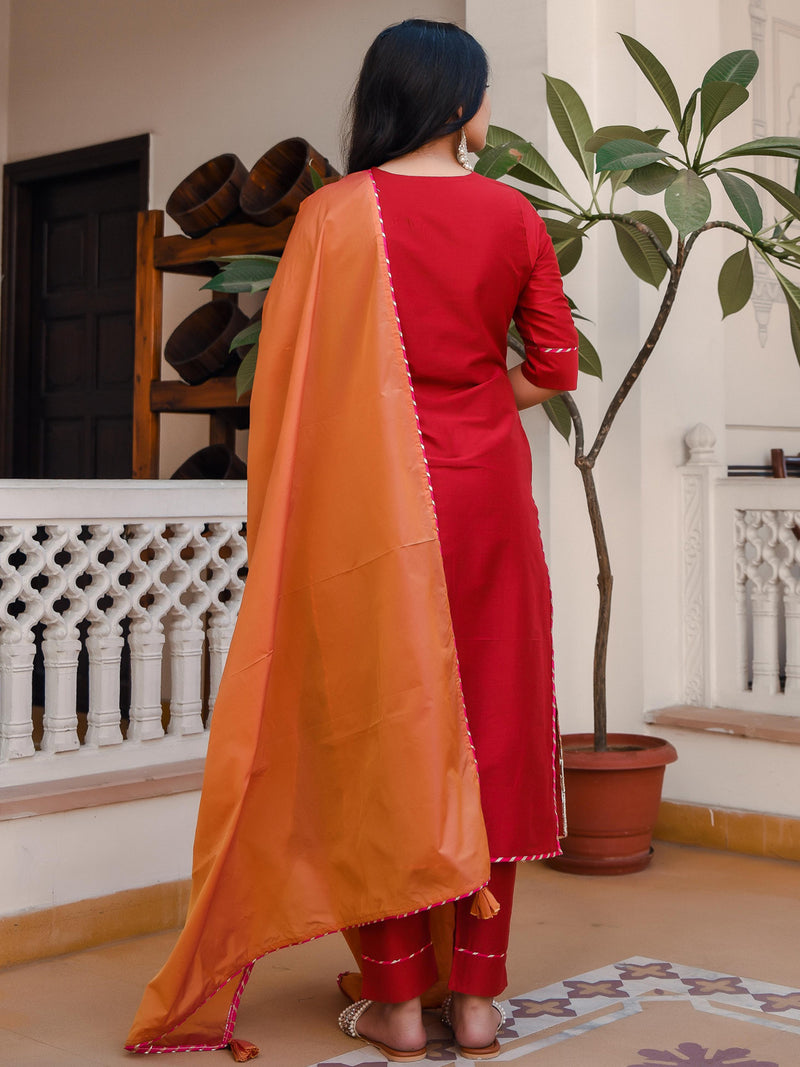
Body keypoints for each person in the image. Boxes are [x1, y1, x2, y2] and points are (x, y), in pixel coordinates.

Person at [126, 18, 578, 1064]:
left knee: (374, 728)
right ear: (463, 106)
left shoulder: (331, 218)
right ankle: (475, 1000)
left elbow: (288, 391)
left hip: (368, 509)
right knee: (491, 724)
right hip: (486, 504)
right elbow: (550, 366)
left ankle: (396, 1004)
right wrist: (469, 405)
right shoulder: (513, 217)